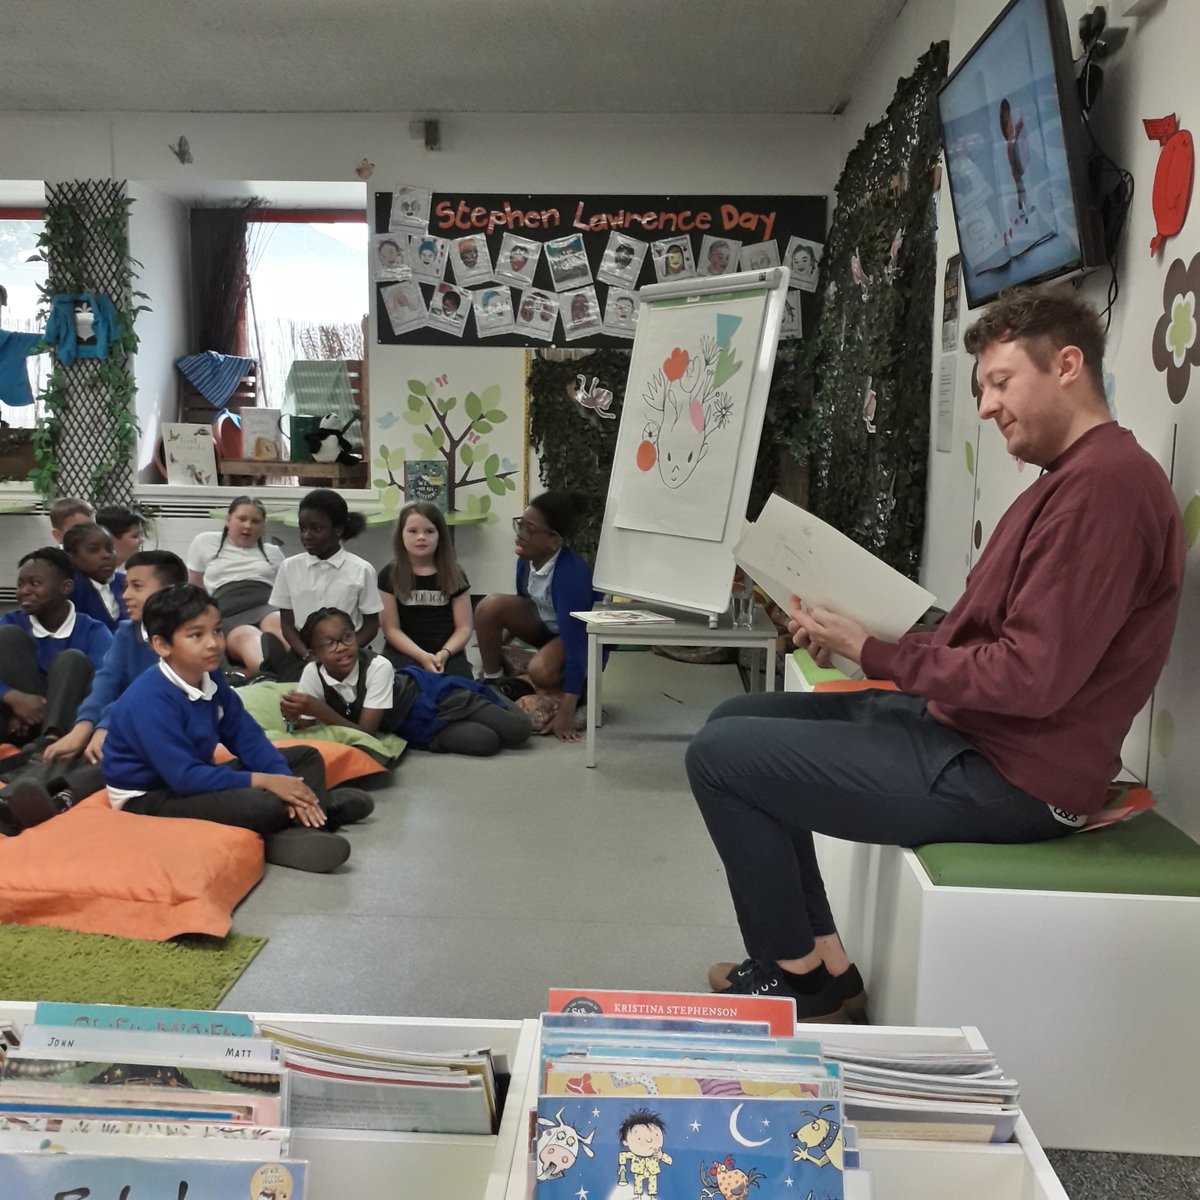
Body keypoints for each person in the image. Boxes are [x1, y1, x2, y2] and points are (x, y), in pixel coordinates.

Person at [685, 286, 1185, 1021]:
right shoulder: (1076, 479)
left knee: (722, 760)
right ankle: (825, 961)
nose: (985, 406)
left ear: (1068, 365)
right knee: (733, 718)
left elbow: (1030, 677)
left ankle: (798, 982)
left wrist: (881, 651)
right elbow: (1004, 636)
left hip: (1012, 776)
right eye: (982, 387)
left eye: (1000, 382)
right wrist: (863, 636)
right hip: (970, 732)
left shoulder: (1102, 491)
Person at [102, 585, 373, 873]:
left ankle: (304, 810)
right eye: (196, 635)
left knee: (306, 757)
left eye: (217, 631)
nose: (213, 644)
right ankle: (306, 824)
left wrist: (285, 781)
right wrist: (267, 782)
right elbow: (183, 778)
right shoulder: (149, 700)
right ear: (162, 645)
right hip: (152, 795)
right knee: (263, 804)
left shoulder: (211, 678)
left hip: (193, 778)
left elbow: (248, 738)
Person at [5, 550, 188, 829]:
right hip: (119, 724)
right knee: (75, 749)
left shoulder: (185, 640)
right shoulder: (127, 632)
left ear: (172, 593)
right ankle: (12, 798)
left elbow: (145, 695)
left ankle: (57, 799)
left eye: (136, 587)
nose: (125, 594)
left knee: (112, 757)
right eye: (126, 586)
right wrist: (83, 728)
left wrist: (103, 726)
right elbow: (106, 683)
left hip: (160, 734)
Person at [282, 608, 531, 757]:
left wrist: (318, 710)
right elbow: (305, 725)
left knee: (518, 730)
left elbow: (367, 733)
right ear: (314, 654)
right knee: (485, 743)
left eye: (347, 637)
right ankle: (449, 727)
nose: (342, 647)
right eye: (329, 643)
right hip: (408, 724)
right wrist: (295, 715)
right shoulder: (313, 673)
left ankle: (493, 689)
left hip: (429, 696)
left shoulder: (378, 666)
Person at [474, 491, 600, 743]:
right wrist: (499, 645)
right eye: (520, 525)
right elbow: (524, 603)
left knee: (540, 670)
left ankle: (570, 691)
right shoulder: (527, 559)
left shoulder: (571, 576)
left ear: (554, 541)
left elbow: (577, 645)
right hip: (547, 629)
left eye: (530, 529)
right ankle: (493, 683)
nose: (520, 534)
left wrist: (567, 711)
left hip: (578, 640)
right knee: (489, 607)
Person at [263, 489, 382, 682]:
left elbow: (371, 625)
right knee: (292, 698)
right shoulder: (289, 567)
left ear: (338, 529)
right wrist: (308, 656)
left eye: (316, 529)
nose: (307, 536)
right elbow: (286, 624)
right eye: (302, 529)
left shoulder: (361, 570)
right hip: (304, 654)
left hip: (349, 655)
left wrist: (343, 651)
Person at [0, 548, 113, 747]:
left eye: (35, 583)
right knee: (7, 636)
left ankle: (47, 744)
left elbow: (104, 687)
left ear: (66, 587)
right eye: (20, 584)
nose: (24, 590)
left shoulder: (93, 631)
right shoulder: (10, 622)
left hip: (68, 726)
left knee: (72, 660)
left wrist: (47, 711)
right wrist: (14, 698)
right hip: (14, 721)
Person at [187, 496, 285, 673]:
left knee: (276, 622)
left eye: (255, 521)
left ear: (262, 527)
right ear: (228, 519)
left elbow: (284, 593)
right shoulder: (205, 542)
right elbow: (195, 588)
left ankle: (299, 667)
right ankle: (268, 674)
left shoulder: (274, 553)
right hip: (227, 610)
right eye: (242, 519)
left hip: (265, 603)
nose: (248, 526)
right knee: (248, 635)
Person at [378, 502, 473, 679]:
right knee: (401, 691)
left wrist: (444, 653)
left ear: (440, 536)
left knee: (461, 694)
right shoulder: (389, 575)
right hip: (403, 651)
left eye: (429, 531)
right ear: (401, 536)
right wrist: (421, 656)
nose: (421, 537)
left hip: (447, 652)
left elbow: (465, 627)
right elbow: (391, 629)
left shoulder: (455, 574)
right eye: (413, 531)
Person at [64, 521, 126, 631]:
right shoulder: (71, 588)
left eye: (110, 549)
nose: (106, 555)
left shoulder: (125, 582)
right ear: (72, 557)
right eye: (94, 550)